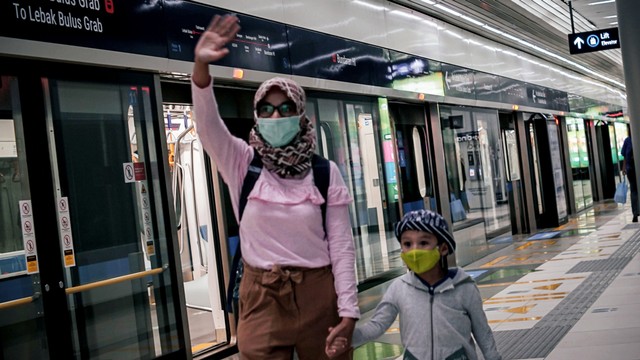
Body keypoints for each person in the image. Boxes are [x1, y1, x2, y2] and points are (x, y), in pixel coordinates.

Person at [191, 14, 359, 359]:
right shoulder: (242, 163)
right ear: (256, 115)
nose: (275, 117)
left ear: (300, 115)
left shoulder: (325, 173)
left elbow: (341, 247)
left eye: (285, 108)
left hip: (318, 292)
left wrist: (349, 312)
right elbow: (208, 127)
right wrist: (200, 69)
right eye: (266, 109)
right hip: (261, 295)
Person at [327, 209, 501, 360]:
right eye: (407, 244)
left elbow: (482, 332)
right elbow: (376, 326)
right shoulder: (399, 288)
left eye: (424, 243)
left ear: (443, 248)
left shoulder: (464, 287)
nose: (414, 251)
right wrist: (349, 336)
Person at [621, 134, 638, 222]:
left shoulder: (627, 140)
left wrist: (624, 168)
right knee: (634, 190)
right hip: (634, 169)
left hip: (630, 169)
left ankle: (635, 213)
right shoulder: (629, 140)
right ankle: (635, 212)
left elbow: (624, 156)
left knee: (633, 190)